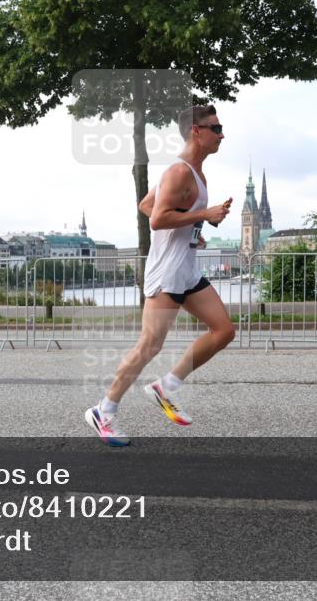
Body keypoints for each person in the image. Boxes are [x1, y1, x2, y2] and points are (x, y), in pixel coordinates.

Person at [86, 105, 234, 446]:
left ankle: (165, 387)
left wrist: (194, 230)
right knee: (150, 345)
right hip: (167, 273)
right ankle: (103, 411)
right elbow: (156, 219)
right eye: (215, 128)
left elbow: (146, 203)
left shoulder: (196, 173)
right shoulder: (179, 172)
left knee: (224, 331)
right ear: (196, 131)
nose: (222, 135)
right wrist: (204, 214)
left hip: (187, 271)